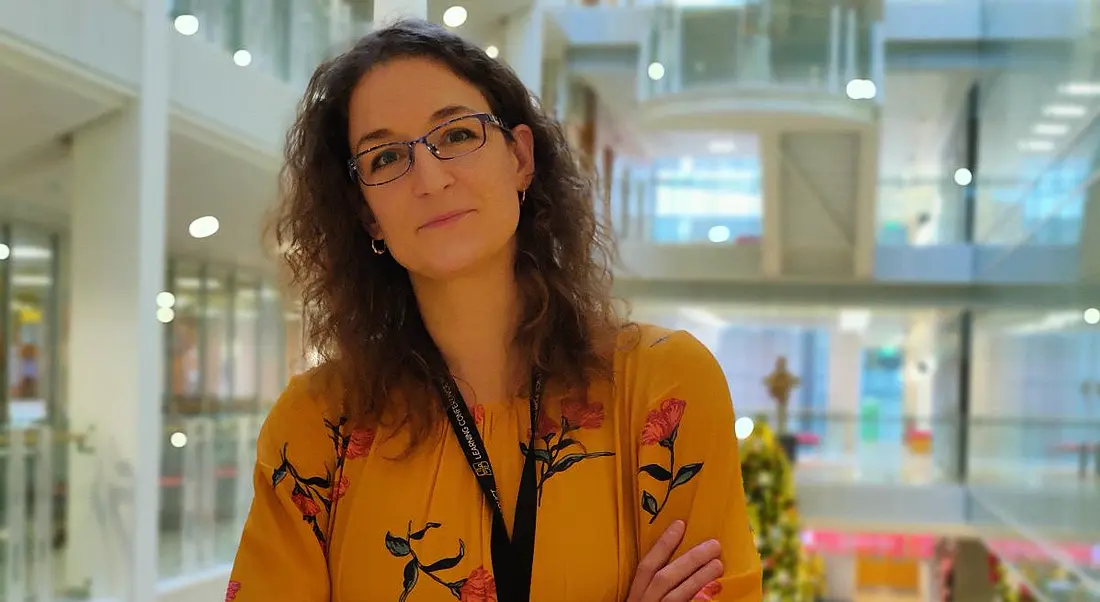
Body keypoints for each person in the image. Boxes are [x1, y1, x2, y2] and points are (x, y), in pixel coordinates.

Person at [228, 19, 761, 602]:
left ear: (520, 158)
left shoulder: (664, 389)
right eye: (384, 159)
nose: (430, 177)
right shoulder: (316, 428)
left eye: (456, 135)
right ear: (367, 213)